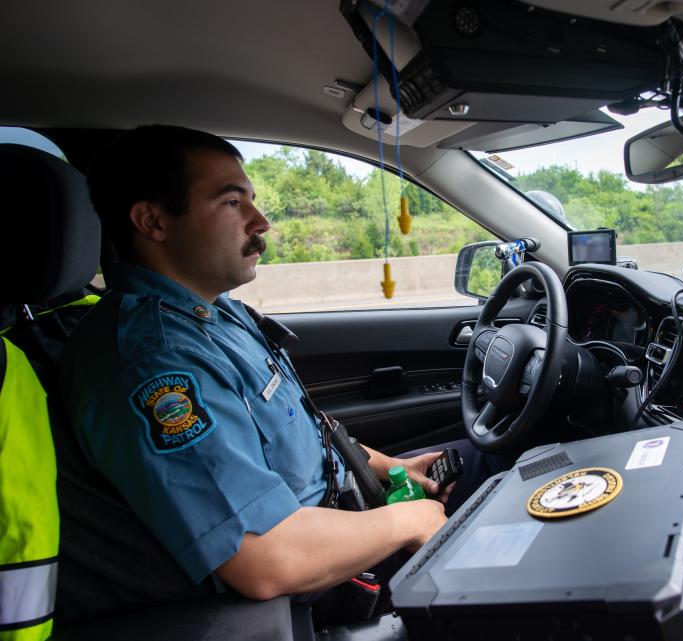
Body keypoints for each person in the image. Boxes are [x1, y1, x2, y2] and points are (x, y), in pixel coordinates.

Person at [58, 125, 505, 614]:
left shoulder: (214, 312)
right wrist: (410, 522)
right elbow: (266, 556)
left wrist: (393, 468)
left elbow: (305, 431)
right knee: (505, 510)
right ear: (153, 221)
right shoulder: (153, 362)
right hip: (318, 581)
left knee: (484, 465)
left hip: (340, 515)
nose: (261, 221)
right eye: (232, 203)